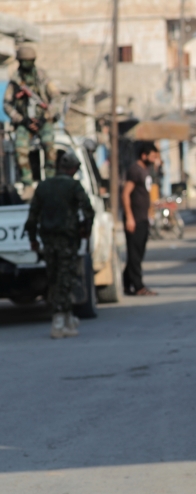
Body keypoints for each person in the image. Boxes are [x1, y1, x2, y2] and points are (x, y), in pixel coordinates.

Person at [24, 152, 94, 338]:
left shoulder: (44, 186)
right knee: (65, 279)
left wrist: (32, 239)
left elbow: (32, 215)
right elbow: (88, 210)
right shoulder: (73, 186)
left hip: (48, 240)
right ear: (72, 169)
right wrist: (86, 231)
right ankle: (59, 320)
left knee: (54, 278)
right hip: (67, 240)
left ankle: (67, 317)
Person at [3, 46, 59, 187]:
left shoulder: (41, 76)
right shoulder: (15, 80)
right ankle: (27, 183)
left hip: (43, 120)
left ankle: (50, 182)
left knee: (49, 146)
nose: (27, 64)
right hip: (24, 122)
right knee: (20, 148)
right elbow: (7, 104)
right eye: (24, 61)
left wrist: (45, 117)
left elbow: (57, 98)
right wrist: (21, 119)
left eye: (29, 61)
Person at [122, 141, 159, 296]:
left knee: (137, 253)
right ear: (144, 155)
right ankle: (138, 287)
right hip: (135, 219)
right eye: (152, 156)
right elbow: (125, 194)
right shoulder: (135, 170)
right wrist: (129, 217)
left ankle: (127, 284)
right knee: (135, 255)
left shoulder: (146, 170)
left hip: (143, 218)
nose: (154, 159)